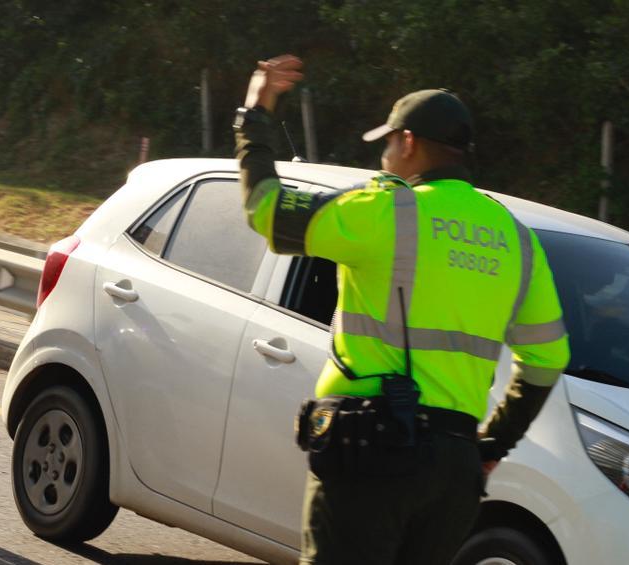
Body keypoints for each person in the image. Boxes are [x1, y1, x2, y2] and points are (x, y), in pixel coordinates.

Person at [234, 55, 570, 564]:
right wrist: (492, 447)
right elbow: (547, 359)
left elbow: (266, 208)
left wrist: (254, 115)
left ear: (409, 143)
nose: (385, 157)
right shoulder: (516, 239)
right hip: (456, 469)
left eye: (388, 143)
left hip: (374, 450)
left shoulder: (387, 211)